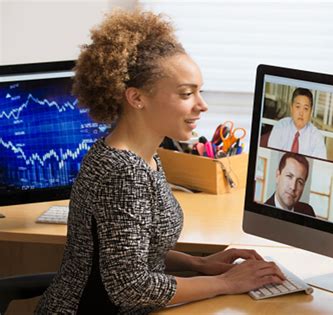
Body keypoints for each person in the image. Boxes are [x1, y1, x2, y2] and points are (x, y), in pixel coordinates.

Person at [36, 9, 285, 314]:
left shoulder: (144, 155)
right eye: (186, 94)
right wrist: (228, 283)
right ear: (137, 98)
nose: (202, 105)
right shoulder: (123, 173)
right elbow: (131, 286)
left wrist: (200, 264)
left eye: (199, 91)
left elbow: (130, 252)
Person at [267, 88, 327, 159]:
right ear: (291, 108)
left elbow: (319, 166)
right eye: (298, 107)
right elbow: (271, 156)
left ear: (311, 112)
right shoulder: (280, 127)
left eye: (305, 108)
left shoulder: (317, 138)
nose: (301, 113)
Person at [265, 152, 316, 217]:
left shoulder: (308, 211)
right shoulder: (261, 213)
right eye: (289, 176)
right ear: (278, 175)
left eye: (300, 182)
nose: (293, 187)